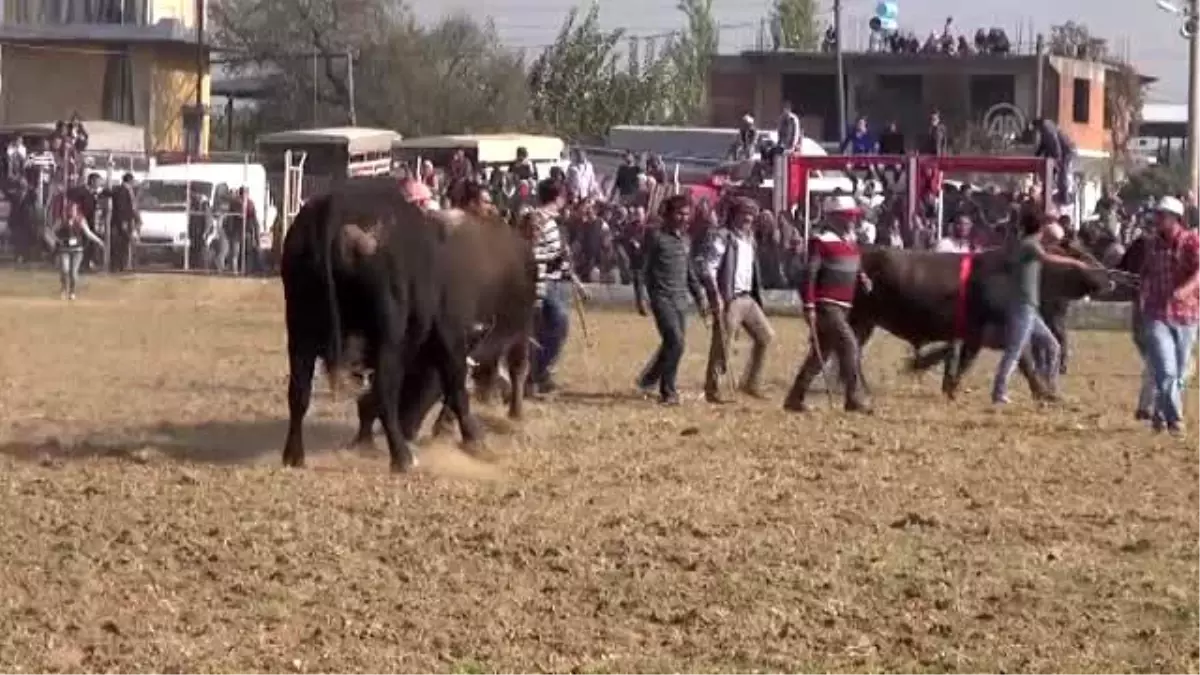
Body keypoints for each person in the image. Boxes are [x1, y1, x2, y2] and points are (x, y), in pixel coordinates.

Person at [990, 210, 1093, 405]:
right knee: (1015, 350)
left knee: (1053, 346)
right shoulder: (1029, 245)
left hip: (1029, 307)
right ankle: (999, 391)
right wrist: (1076, 263)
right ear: (1040, 226)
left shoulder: (1027, 244)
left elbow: (1048, 251)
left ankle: (1048, 387)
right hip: (1023, 306)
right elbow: (1047, 259)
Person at [784, 195, 872, 413]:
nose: (851, 221)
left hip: (844, 305)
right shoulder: (821, 240)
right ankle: (853, 398)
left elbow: (855, 264)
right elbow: (811, 274)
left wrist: (862, 277)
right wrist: (810, 305)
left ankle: (795, 397)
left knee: (819, 354)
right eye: (846, 217)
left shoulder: (850, 241)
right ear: (833, 217)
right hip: (826, 305)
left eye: (852, 216)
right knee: (850, 344)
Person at [699, 197, 774, 403]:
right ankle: (713, 389)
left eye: (751, 215)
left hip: (747, 298)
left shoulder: (750, 239)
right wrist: (715, 295)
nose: (748, 218)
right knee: (722, 344)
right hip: (728, 297)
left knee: (765, 336)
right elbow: (708, 268)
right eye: (744, 214)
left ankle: (752, 382)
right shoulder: (723, 237)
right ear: (734, 215)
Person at [1137, 195, 1200, 434]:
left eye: (1162, 215)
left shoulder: (1191, 242)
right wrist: (1142, 295)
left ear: (1176, 218)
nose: (1158, 219)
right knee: (1166, 369)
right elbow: (1145, 273)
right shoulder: (1152, 244)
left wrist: (1186, 290)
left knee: (1180, 371)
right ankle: (1175, 420)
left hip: (1187, 315)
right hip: (1156, 313)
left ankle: (1160, 414)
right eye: (1157, 214)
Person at [637, 195, 707, 405]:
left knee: (672, 344)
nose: (683, 218)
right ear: (668, 215)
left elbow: (689, 273)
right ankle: (668, 391)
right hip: (661, 298)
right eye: (679, 213)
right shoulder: (655, 237)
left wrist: (700, 296)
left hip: (680, 300)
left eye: (687, 214)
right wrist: (641, 297)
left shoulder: (685, 240)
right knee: (676, 342)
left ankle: (648, 379)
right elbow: (641, 270)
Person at [525, 178, 586, 394]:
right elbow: (530, 252)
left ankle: (540, 375)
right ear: (558, 197)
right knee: (556, 325)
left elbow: (561, 256)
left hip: (556, 281)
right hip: (541, 282)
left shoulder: (555, 221)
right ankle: (535, 373)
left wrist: (575, 280)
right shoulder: (536, 219)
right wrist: (554, 258)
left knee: (550, 330)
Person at [54, 200, 104, 300]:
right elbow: (52, 231)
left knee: (73, 272)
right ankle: (64, 288)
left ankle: (72, 291)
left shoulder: (80, 220)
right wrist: (56, 241)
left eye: (74, 210)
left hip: (77, 250)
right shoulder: (62, 220)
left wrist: (99, 241)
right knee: (64, 269)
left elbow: (88, 233)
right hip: (64, 249)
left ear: (76, 211)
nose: (71, 212)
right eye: (70, 210)